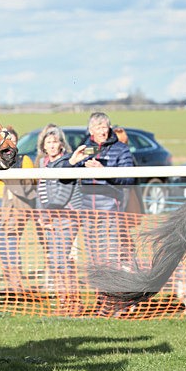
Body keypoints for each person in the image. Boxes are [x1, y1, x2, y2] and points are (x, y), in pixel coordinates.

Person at [66, 112, 134, 314]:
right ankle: (101, 299)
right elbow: (68, 171)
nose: (102, 131)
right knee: (94, 259)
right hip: (88, 212)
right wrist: (77, 163)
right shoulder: (85, 148)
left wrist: (103, 170)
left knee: (110, 258)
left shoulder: (120, 149)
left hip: (110, 211)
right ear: (90, 130)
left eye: (105, 127)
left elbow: (129, 179)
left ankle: (115, 301)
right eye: (98, 127)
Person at [0, 127, 37, 292]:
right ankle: (10, 281)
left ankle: (16, 283)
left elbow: (30, 184)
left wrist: (6, 179)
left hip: (13, 207)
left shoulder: (24, 160)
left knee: (11, 245)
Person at [35, 125, 83, 315]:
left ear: (61, 144)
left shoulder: (66, 163)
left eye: (55, 142)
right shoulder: (43, 164)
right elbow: (41, 192)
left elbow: (63, 194)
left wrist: (49, 212)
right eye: (49, 142)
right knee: (54, 261)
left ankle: (74, 301)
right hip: (49, 218)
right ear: (44, 146)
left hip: (67, 217)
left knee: (62, 259)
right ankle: (63, 299)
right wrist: (41, 215)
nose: (53, 146)